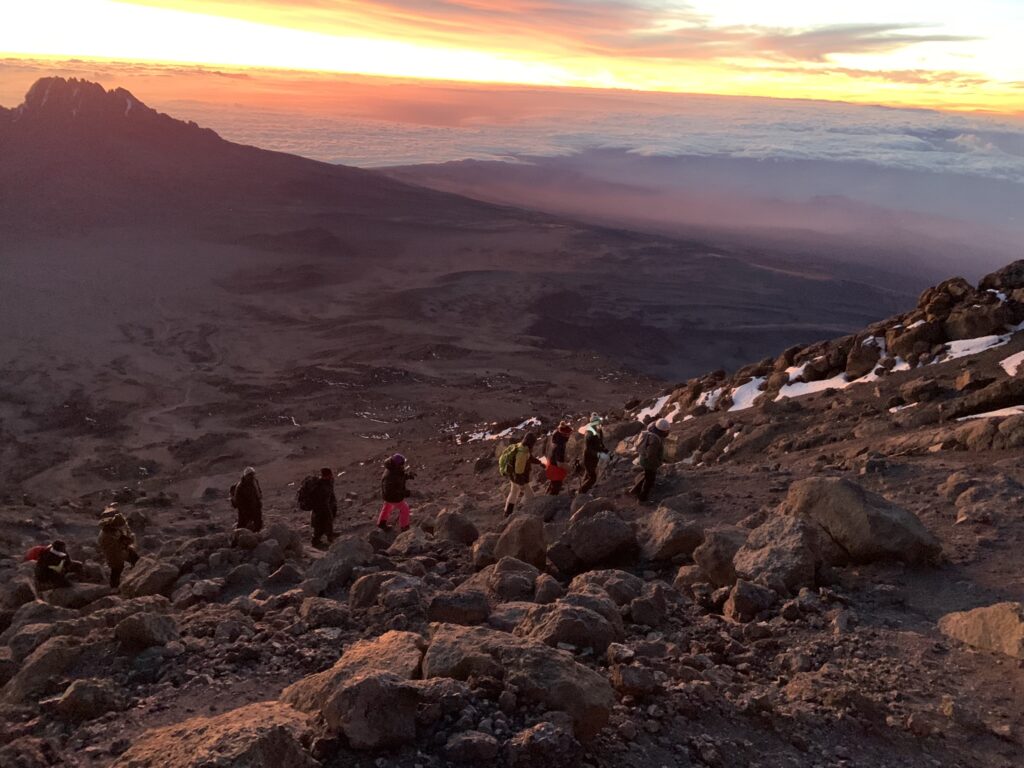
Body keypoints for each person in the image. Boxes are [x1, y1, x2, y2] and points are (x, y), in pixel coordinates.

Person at [97, 504, 140, 588]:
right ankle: (114, 586)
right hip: (114, 553)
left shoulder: (111, 529)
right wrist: (127, 542)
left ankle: (137, 570)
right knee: (117, 569)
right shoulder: (107, 535)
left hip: (119, 550)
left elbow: (121, 536)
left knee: (132, 557)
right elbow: (116, 544)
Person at [631, 418, 670, 503]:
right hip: (649, 462)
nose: (668, 432)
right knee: (649, 480)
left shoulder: (651, 432)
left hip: (643, 459)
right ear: (662, 431)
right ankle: (642, 499)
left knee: (646, 476)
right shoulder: (655, 440)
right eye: (666, 430)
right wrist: (657, 463)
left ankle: (635, 491)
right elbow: (651, 455)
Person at [505, 432, 543, 516]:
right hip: (520, 478)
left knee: (513, 493)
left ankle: (507, 512)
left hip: (513, 476)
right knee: (531, 497)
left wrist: (539, 462)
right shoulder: (523, 453)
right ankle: (532, 515)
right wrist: (521, 483)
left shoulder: (521, 447)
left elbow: (530, 458)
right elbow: (519, 470)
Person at [378, 453, 415, 531]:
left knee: (387, 506)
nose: (403, 465)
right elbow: (393, 490)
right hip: (391, 496)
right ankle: (404, 527)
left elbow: (400, 476)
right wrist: (404, 493)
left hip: (387, 496)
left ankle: (381, 523)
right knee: (404, 508)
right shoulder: (391, 475)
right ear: (397, 464)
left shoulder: (393, 469)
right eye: (401, 464)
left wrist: (408, 476)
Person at [577, 413, 608, 495]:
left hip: (594, 457)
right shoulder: (589, 433)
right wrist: (598, 454)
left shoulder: (598, 430)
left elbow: (599, 443)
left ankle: (582, 490)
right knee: (593, 477)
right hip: (589, 457)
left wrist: (604, 450)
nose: (600, 424)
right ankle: (581, 492)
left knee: (588, 474)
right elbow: (589, 448)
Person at [310, 467, 338, 548]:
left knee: (327, 521)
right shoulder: (320, 485)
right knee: (319, 524)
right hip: (320, 508)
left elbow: (330, 494)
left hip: (327, 506)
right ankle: (316, 541)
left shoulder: (328, 482)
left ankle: (329, 536)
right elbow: (321, 499)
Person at [231, 466, 263, 533]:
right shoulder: (240, 486)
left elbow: (258, 492)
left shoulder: (255, 482)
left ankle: (256, 536)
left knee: (258, 523)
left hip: (255, 506)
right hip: (245, 508)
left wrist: (258, 502)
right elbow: (239, 501)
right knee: (242, 524)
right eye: (250, 475)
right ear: (246, 476)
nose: (252, 477)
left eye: (253, 475)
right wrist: (245, 512)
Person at [545, 421, 573, 495]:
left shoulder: (555, 438)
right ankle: (549, 502)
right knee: (556, 486)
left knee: (553, 484)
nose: (569, 436)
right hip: (555, 469)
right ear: (564, 434)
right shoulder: (560, 445)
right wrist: (569, 468)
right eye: (569, 434)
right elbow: (560, 463)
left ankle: (545, 498)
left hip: (550, 464)